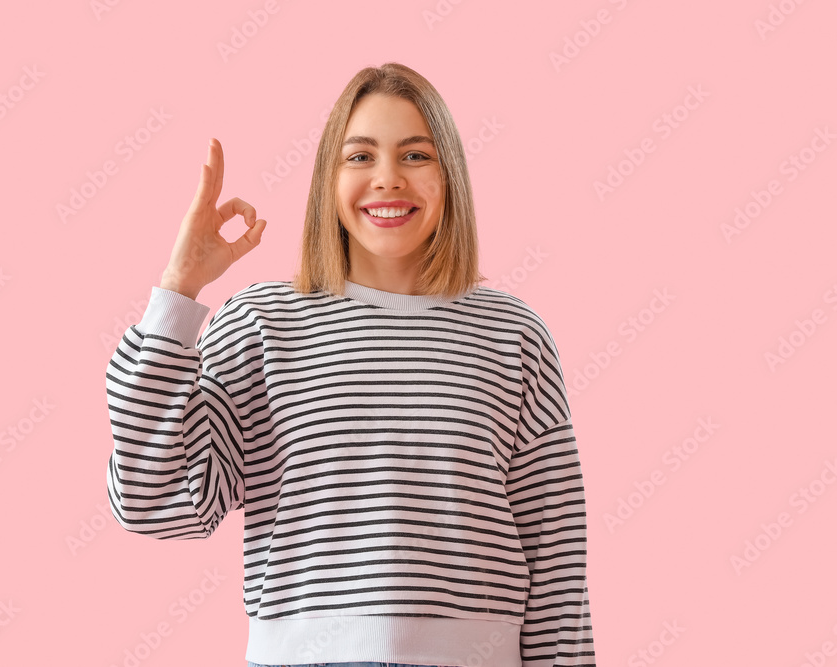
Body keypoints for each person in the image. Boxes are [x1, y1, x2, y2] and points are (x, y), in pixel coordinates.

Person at [105, 62, 597, 667]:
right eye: (359, 157)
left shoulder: (512, 333)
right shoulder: (259, 324)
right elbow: (157, 503)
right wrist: (178, 290)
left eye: (416, 155)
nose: (387, 179)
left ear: (451, 176)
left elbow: (556, 553)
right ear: (327, 181)